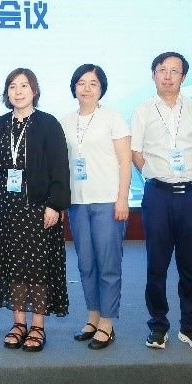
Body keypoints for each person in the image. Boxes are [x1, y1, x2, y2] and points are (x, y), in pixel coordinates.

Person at [131, 51, 192, 351]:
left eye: (174, 71)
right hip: (157, 194)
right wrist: (155, 175)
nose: (167, 76)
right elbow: (136, 152)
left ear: (183, 77)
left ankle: (191, 327)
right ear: (153, 74)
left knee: (191, 264)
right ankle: (158, 326)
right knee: (156, 264)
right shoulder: (142, 110)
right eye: (162, 70)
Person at [0, 68, 70, 353]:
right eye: (12, 86)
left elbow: (59, 165)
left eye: (24, 85)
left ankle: (37, 326)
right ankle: (18, 323)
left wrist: (55, 204)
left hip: (38, 207)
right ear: (6, 92)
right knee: (14, 265)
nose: (18, 91)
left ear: (34, 91)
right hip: (8, 208)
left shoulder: (47, 123)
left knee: (38, 267)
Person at [60, 64, 132, 350]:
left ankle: (107, 323)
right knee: (86, 263)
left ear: (102, 88)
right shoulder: (65, 122)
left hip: (107, 201)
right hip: (77, 203)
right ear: (74, 87)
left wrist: (122, 198)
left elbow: (125, 161)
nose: (86, 88)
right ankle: (92, 317)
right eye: (81, 83)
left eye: (93, 83)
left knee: (108, 265)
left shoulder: (113, 118)